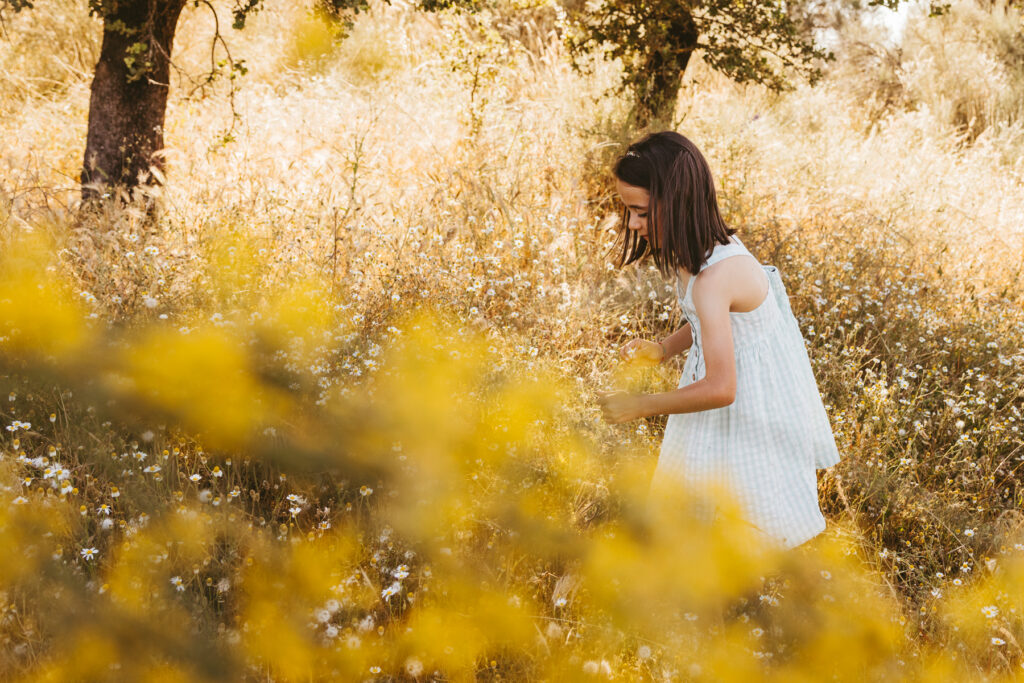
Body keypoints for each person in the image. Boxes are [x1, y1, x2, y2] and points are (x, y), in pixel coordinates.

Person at [596, 131, 840, 549]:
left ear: (675, 202)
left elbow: (723, 389)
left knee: (749, 511)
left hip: (749, 404)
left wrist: (640, 406)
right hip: (722, 387)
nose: (632, 224)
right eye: (627, 211)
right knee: (701, 499)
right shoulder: (700, 252)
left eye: (639, 212)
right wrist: (664, 348)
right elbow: (712, 324)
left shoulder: (715, 276)